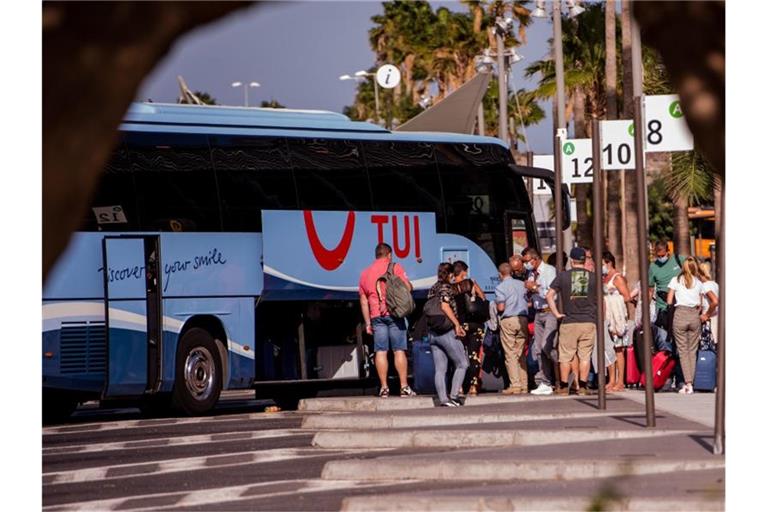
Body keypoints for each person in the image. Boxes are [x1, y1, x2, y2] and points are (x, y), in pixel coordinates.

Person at [359, 243, 415, 398]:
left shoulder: (365, 273)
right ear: (389, 254)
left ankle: (384, 388)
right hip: (395, 314)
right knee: (399, 350)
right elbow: (408, 288)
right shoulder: (395, 267)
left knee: (381, 351)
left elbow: (363, 301)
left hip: (376, 317)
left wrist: (368, 322)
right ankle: (404, 387)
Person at [546, 247, 598, 396]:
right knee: (585, 356)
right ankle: (582, 386)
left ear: (571, 260)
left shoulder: (563, 276)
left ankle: (563, 386)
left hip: (569, 320)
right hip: (588, 321)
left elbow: (549, 295)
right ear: (584, 260)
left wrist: (556, 314)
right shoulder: (594, 277)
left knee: (565, 356)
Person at [666, 257, 717, 394]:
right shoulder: (699, 283)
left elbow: (669, 300)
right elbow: (700, 304)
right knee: (692, 351)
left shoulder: (675, 280)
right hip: (694, 316)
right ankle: (691, 383)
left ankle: (688, 384)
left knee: (682, 351)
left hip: (680, 314)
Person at [427, 262, 469, 406]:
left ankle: (443, 400)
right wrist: (457, 324)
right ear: (451, 274)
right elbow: (445, 306)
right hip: (446, 331)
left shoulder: (433, 288)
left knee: (440, 369)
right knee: (463, 363)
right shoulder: (445, 287)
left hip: (433, 333)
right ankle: (454, 395)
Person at [521, 247, 558, 395]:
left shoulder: (549, 271)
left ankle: (561, 372)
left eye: (526, 261)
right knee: (538, 349)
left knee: (547, 346)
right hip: (538, 313)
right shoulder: (531, 273)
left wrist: (535, 287)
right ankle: (544, 381)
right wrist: (529, 291)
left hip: (549, 312)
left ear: (535, 259)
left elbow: (551, 294)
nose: (525, 265)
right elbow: (531, 293)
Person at [452, 260, 487, 396]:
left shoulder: (451, 287)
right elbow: (483, 298)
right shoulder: (470, 283)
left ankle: (459, 386)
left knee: (459, 356)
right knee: (474, 355)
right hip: (476, 324)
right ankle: (473, 386)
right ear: (464, 272)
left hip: (461, 324)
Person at [494, 262, 530, 395]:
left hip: (509, 320)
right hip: (523, 319)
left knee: (510, 353)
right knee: (520, 353)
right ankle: (524, 384)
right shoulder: (522, 284)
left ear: (500, 274)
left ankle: (515, 385)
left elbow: (501, 307)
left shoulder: (500, 287)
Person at [602, 251, 632, 392]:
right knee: (609, 349)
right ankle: (611, 379)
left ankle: (620, 381)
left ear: (609, 263)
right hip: (606, 317)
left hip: (617, 319)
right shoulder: (604, 278)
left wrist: (612, 299)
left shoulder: (617, 278)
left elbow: (627, 296)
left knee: (619, 349)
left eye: (602, 264)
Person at [649, 240, 683, 335]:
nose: (660, 258)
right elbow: (650, 289)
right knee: (664, 339)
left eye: (662, 255)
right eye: (658, 256)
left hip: (680, 307)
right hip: (663, 308)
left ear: (668, 251)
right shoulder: (653, 266)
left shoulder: (679, 260)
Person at [697, 261, 720, 344]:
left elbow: (715, 301)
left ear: (699, 273)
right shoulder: (714, 284)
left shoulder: (705, 286)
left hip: (710, 320)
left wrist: (706, 315)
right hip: (717, 318)